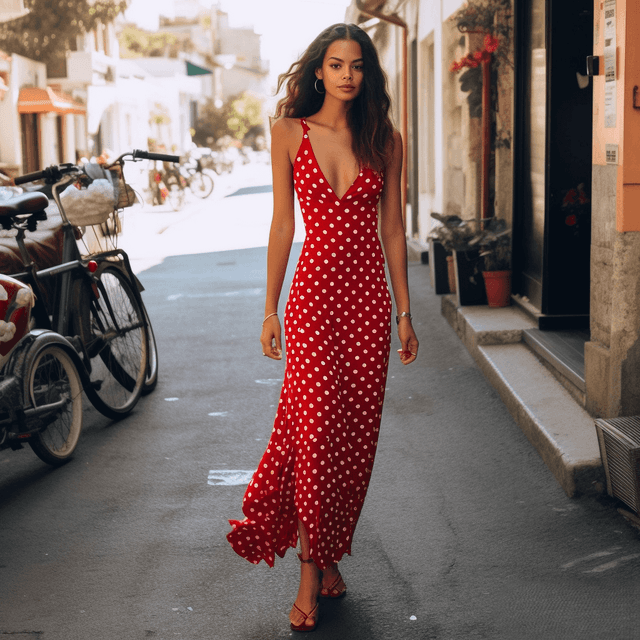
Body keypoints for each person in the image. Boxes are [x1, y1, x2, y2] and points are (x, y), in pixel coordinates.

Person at [227, 22, 418, 632]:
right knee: (313, 434)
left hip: (365, 307)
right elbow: (283, 225)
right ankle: (310, 571)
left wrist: (404, 312)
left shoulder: (386, 140)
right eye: (336, 64)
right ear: (319, 71)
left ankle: (331, 556)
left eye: (357, 65)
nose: (347, 75)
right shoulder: (289, 132)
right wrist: (269, 308)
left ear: (368, 74)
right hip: (312, 302)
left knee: (351, 440)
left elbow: (393, 232)